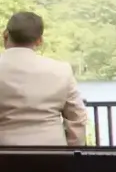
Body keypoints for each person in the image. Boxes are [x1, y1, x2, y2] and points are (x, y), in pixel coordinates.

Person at [0, 11, 88, 147]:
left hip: (5, 152)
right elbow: (77, 117)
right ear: (39, 41)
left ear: (5, 35)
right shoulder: (61, 70)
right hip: (52, 152)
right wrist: (72, 152)